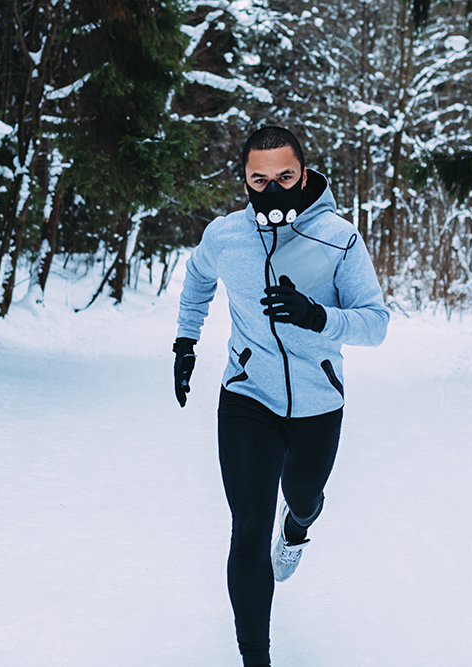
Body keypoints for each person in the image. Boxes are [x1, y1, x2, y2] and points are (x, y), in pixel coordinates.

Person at [173, 126, 388, 667]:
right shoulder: (226, 237)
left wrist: (318, 317)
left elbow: (376, 324)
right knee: (247, 531)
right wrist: (185, 341)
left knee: (304, 496)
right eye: (259, 180)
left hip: (318, 402)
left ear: (304, 173)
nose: (272, 191)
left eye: (285, 178)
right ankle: (256, 660)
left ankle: (298, 527)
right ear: (244, 181)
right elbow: (197, 278)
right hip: (248, 397)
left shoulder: (339, 238)